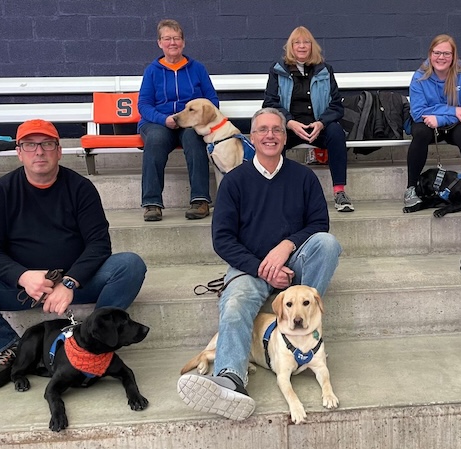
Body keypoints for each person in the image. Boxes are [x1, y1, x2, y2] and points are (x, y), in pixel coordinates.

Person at [0, 119, 147, 384]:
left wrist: (70, 281)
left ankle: (93, 337)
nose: (39, 151)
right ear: (19, 152)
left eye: (47, 144)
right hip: (22, 289)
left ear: (59, 150)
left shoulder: (80, 188)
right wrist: (22, 276)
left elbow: (99, 244)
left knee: (130, 265)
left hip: (76, 282)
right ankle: (10, 347)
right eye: (30, 145)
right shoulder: (0, 191)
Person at [177, 108, 342, 420]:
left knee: (327, 244)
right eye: (263, 130)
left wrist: (286, 245)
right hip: (248, 267)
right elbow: (223, 239)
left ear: (284, 137)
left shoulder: (303, 177)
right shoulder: (234, 181)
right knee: (236, 302)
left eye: (277, 130)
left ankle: (303, 330)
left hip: (292, 263)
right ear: (251, 137)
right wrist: (261, 267)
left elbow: (320, 223)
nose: (270, 135)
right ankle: (230, 379)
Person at [263, 26, 354, 213]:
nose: (302, 46)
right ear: (291, 47)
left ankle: (339, 192)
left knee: (336, 132)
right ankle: (278, 194)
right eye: (297, 43)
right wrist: (289, 122)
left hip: (317, 126)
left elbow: (336, 105)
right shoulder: (278, 70)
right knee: (273, 137)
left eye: (306, 42)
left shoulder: (325, 70)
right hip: (290, 127)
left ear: (312, 47)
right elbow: (270, 103)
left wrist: (321, 123)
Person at [138, 19, 219, 222]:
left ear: (183, 42)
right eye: (167, 38)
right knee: (155, 140)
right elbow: (144, 105)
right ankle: (152, 203)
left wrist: (196, 120)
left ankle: (200, 201)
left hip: (189, 124)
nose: (172, 42)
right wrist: (163, 119)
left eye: (176, 38)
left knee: (194, 138)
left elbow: (212, 100)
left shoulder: (197, 68)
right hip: (158, 122)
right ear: (159, 43)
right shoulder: (152, 70)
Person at [404, 34, 461, 210]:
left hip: (455, 126)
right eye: (437, 53)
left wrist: (441, 118)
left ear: (453, 56)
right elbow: (418, 112)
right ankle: (411, 189)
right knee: (420, 132)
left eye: (446, 53)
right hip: (428, 123)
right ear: (430, 54)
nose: (441, 57)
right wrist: (453, 110)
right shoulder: (420, 76)